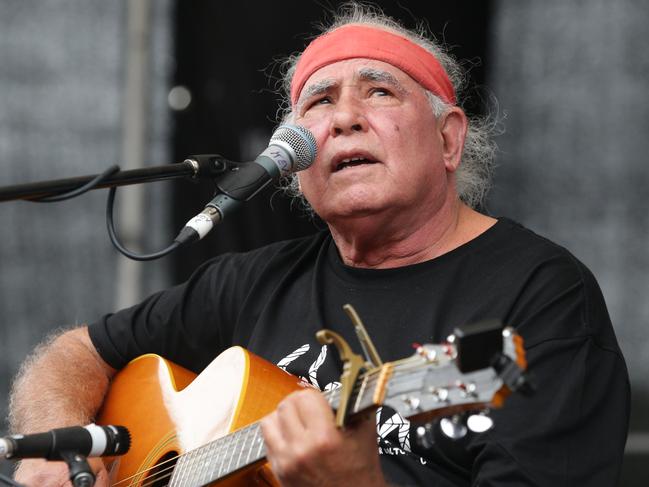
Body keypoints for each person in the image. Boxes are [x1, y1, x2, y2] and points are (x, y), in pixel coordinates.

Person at [9, 3, 629, 486]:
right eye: (319, 102)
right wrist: (58, 444)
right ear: (294, 164)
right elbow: (76, 352)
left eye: (379, 91)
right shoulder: (251, 281)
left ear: (448, 139)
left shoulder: (542, 297)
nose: (343, 118)